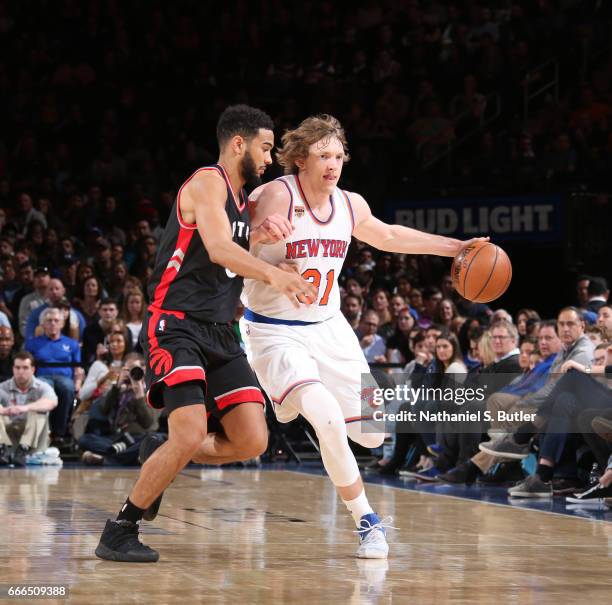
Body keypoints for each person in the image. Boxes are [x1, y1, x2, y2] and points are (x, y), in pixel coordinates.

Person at [241, 114, 487, 558]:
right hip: (274, 331)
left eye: (338, 155)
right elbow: (224, 255)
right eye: (322, 155)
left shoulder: (350, 204)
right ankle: (367, 522)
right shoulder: (276, 194)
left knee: (374, 433)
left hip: (331, 328)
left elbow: (390, 235)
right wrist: (263, 251)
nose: (332, 164)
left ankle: (289, 399)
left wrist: (456, 248)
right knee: (328, 419)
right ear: (300, 159)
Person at [95, 104, 315, 563]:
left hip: (219, 330)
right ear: (239, 143)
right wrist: (276, 276)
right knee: (191, 430)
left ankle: (163, 451)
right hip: (175, 324)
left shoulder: (240, 199)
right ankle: (120, 528)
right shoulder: (208, 182)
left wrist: (272, 252)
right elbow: (217, 249)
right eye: (266, 147)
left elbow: (237, 246)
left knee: (252, 440)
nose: (270, 158)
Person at [0, 352, 58, 466]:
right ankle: (2, 449)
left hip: (34, 440)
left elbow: (52, 402)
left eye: (25, 368)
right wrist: (4, 411)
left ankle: (24, 450)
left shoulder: (42, 386)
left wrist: (25, 408)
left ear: (33, 370)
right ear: (13, 369)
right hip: (10, 436)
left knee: (39, 410)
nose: (21, 371)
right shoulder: (3, 387)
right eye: (17, 368)